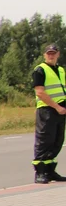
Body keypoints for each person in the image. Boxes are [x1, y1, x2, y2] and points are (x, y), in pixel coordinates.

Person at [32, 44, 66, 184]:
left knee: (57, 140)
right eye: (48, 53)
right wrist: (57, 107)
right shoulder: (40, 70)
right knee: (44, 141)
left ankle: (50, 171)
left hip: (61, 109)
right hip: (47, 109)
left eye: (53, 53)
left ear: (58, 54)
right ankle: (40, 173)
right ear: (44, 55)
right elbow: (40, 92)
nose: (51, 55)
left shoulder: (60, 70)